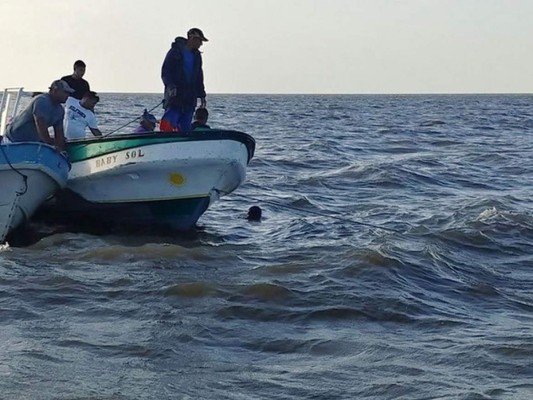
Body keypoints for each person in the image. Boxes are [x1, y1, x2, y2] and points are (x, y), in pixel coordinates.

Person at [1, 79, 73, 150]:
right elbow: (41, 125)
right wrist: (50, 145)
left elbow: (59, 135)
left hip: (30, 144)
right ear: (55, 91)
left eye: (69, 93)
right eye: (65, 92)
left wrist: (61, 148)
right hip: (12, 140)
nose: (68, 95)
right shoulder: (41, 100)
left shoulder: (60, 111)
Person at [160, 27, 208, 132]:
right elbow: (165, 72)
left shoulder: (197, 56)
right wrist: (171, 86)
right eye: (199, 40)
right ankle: (163, 140)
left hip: (190, 97)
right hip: (175, 95)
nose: (201, 44)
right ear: (192, 38)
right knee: (169, 121)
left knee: (185, 126)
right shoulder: (174, 52)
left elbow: (199, 76)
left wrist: (202, 95)